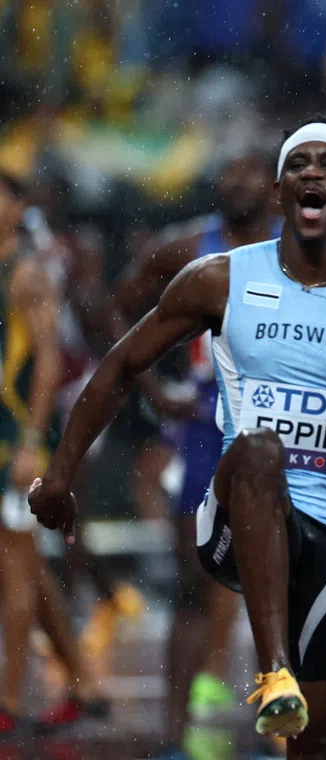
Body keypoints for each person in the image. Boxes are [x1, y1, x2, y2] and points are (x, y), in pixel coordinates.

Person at [29, 116, 326, 756]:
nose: (311, 173)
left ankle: (295, 689)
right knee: (260, 452)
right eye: (298, 165)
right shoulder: (220, 277)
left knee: (320, 741)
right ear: (280, 196)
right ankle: (272, 669)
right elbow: (121, 366)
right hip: (238, 507)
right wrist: (59, 475)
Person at [113, 150, 282, 743]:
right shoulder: (188, 247)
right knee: (192, 580)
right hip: (208, 424)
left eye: (250, 171)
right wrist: (155, 391)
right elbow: (119, 304)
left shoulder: (305, 245)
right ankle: (174, 734)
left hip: (282, 421)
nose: (237, 180)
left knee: (285, 577)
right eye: (228, 171)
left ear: (276, 186)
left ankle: (280, 726)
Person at [0, 172, 108, 735]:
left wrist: (30, 441)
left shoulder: (27, 271)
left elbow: (47, 360)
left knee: (14, 565)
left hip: (16, 435)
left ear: (18, 205)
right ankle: (86, 680)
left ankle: (10, 700)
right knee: (27, 569)